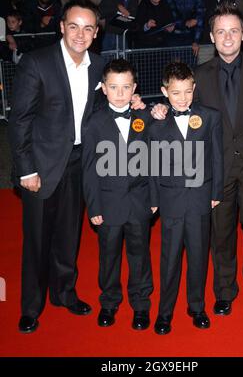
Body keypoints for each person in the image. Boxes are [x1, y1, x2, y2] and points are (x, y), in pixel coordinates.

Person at [152, 3, 243, 316]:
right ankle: (225, 289)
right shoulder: (199, 76)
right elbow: (182, 107)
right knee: (220, 232)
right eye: (220, 31)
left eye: (233, 31)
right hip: (216, 169)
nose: (227, 37)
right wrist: (158, 111)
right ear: (212, 37)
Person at [8, 0, 106, 334]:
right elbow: (19, 120)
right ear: (61, 26)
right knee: (37, 240)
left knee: (68, 235)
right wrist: (26, 169)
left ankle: (64, 293)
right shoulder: (37, 63)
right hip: (41, 166)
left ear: (96, 32)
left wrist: (136, 103)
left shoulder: (98, 65)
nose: (81, 34)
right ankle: (30, 307)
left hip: (79, 162)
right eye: (74, 26)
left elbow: (103, 110)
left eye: (88, 27)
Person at [150, 62, 223, 335]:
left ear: (194, 89)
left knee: (198, 255)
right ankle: (164, 312)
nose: (182, 98)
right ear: (164, 92)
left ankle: (197, 306)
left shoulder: (210, 116)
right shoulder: (156, 124)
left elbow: (217, 156)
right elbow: (152, 165)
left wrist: (215, 192)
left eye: (188, 92)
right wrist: (154, 198)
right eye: (176, 93)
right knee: (169, 259)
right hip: (170, 200)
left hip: (200, 198)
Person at [82, 59, 155, 331]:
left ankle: (141, 304)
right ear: (104, 88)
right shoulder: (94, 123)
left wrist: (154, 199)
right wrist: (93, 205)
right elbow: (89, 169)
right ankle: (109, 301)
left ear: (134, 87)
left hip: (139, 202)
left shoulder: (143, 116)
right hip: (108, 202)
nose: (120, 93)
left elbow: (155, 161)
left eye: (126, 87)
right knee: (108, 256)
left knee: (140, 256)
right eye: (114, 87)